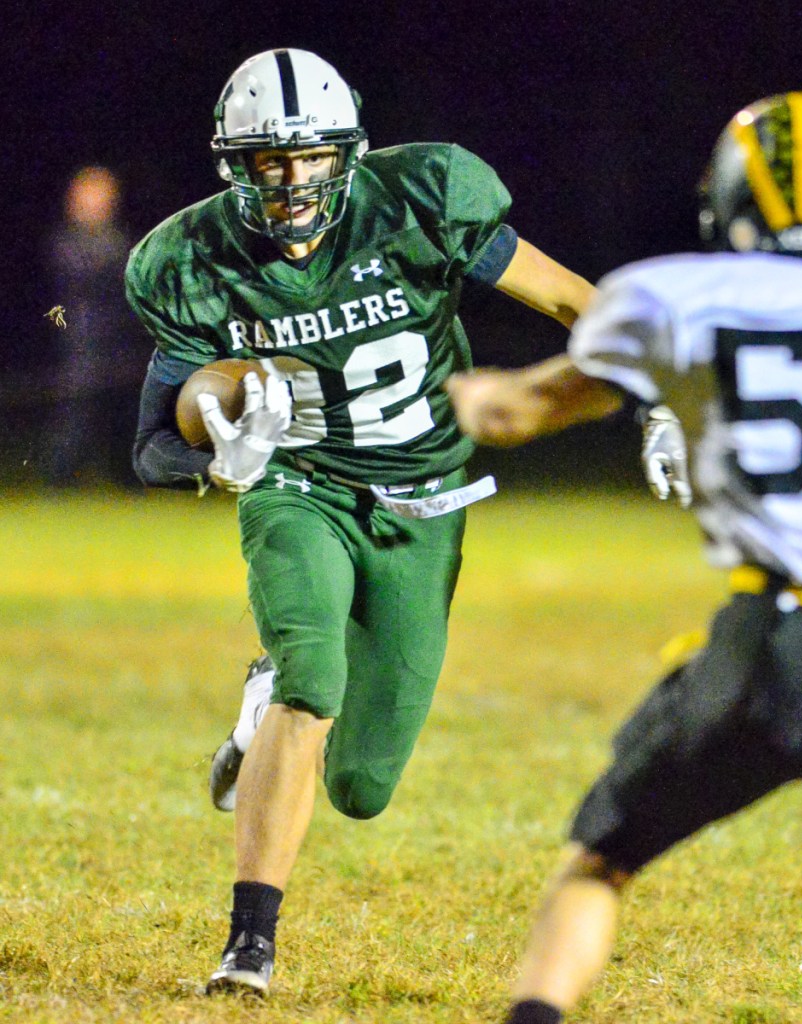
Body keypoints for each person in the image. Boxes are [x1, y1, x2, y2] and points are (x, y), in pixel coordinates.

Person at [126, 48, 610, 996]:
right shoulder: (190, 256)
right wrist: (220, 453)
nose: (294, 179)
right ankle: (249, 946)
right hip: (299, 485)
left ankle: (265, 695)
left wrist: (663, 383)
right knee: (315, 676)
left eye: (311, 156)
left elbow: (566, 296)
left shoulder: (420, 197)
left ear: (348, 151)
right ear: (237, 164)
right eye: (271, 160)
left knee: (363, 787)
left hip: (423, 498)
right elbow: (154, 443)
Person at [445, 91, 802, 1024]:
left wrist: (472, 392)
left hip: (773, 638)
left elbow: (522, 411)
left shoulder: (671, 293)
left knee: (601, 863)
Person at [44, 166, 147, 486]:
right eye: (91, 195)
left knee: (125, 418)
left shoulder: (119, 238)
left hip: (122, 343)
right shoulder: (66, 241)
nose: (98, 202)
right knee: (77, 419)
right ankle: (56, 483)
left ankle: (129, 485)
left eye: (103, 195)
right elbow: (86, 281)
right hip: (84, 343)